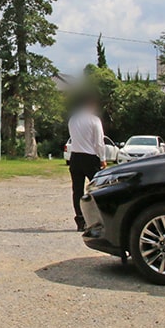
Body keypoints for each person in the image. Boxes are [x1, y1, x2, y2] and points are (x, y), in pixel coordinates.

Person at [68, 95, 106, 231]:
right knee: (99, 188)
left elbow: (73, 138)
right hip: (90, 157)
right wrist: (103, 158)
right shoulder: (94, 120)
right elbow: (99, 142)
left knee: (77, 190)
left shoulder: (72, 119)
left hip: (75, 156)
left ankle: (80, 220)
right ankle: (100, 218)